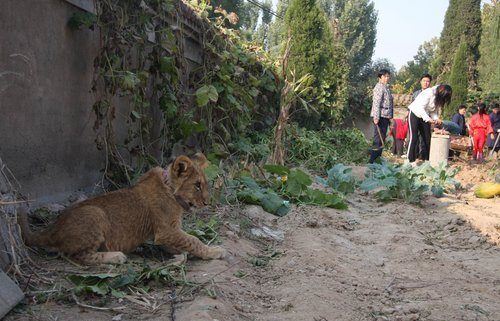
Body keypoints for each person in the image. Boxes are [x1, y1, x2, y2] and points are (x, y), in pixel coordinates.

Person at [406, 84, 453, 165]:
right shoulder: (429, 92)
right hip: (415, 113)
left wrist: (436, 118)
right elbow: (420, 108)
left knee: (427, 138)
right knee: (414, 137)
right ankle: (410, 160)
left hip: (425, 116)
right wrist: (428, 119)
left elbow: (433, 111)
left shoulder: (438, 98)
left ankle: (427, 160)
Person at [369, 69, 393, 163]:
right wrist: (376, 117)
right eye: (385, 76)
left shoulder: (387, 88)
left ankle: (377, 160)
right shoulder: (379, 87)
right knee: (378, 139)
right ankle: (372, 161)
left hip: (385, 116)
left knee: (382, 139)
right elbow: (376, 103)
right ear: (380, 77)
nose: (387, 78)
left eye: (388, 76)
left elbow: (390, 104)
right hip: (380, 116)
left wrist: (391, 118)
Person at [411, 73, 433, 160]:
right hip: (415, 118)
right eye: (424, 81)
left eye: (428, 81)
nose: (426, 83)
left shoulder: (431, 94)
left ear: (430, 83)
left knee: (426, 139)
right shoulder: (416, 94)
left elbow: (432, 108)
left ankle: (425, 158)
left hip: (426, 119)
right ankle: (414, 157)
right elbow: (412, 106)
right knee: (414, 138)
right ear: (421, 82)